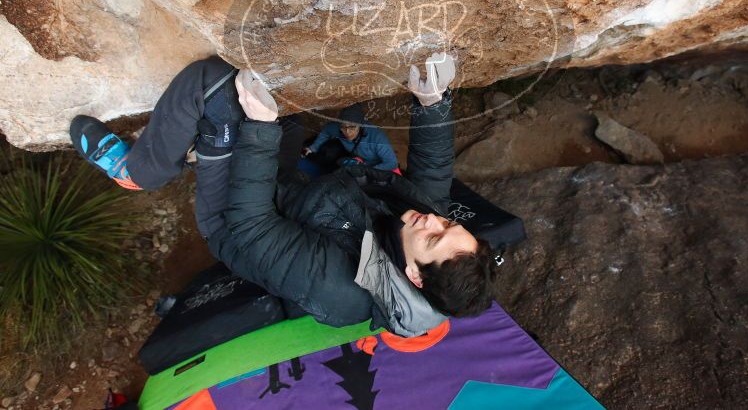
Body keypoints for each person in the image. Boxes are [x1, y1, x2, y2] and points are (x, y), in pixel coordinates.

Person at [70, 54, 495, 337]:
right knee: (286, 108)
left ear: (415, 277)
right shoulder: (426, 228)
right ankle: (205, 148)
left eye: (435, 236)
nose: (435, 220)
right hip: (295, 194)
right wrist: (431, 100)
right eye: (450, 223)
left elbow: (252, 227)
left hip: (236, 221)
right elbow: (434, 174)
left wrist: (258, 130)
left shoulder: (340, 289)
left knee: (217, 87)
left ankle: (141, 170)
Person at [301, 104, 399, 173]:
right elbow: (327, 130)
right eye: (344, 127)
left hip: (376, 166)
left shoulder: (376, 137)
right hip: (357, 160)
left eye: (352, 127)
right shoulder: (338, 128)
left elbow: (392, 163)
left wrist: (366, 170)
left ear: (360, 125)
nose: (347, 132)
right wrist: (313, 148)